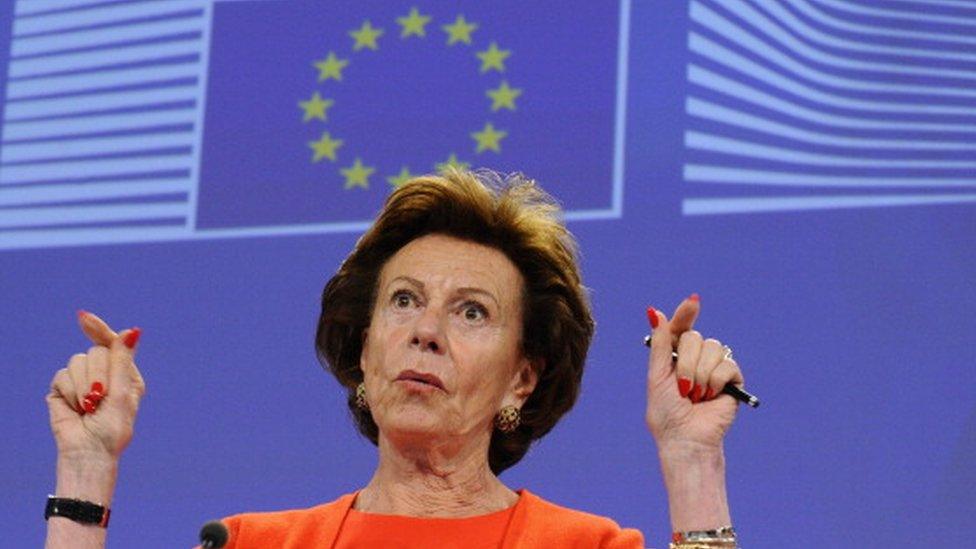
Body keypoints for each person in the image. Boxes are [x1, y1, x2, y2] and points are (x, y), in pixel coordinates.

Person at [45, 170, 745, 548]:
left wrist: (693, 461)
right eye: (404, 300)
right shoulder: (253, 547)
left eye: (472, 311)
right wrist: (87, 468)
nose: (426, 330)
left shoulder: (582, 548)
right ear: (365, 345)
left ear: (522, 377)